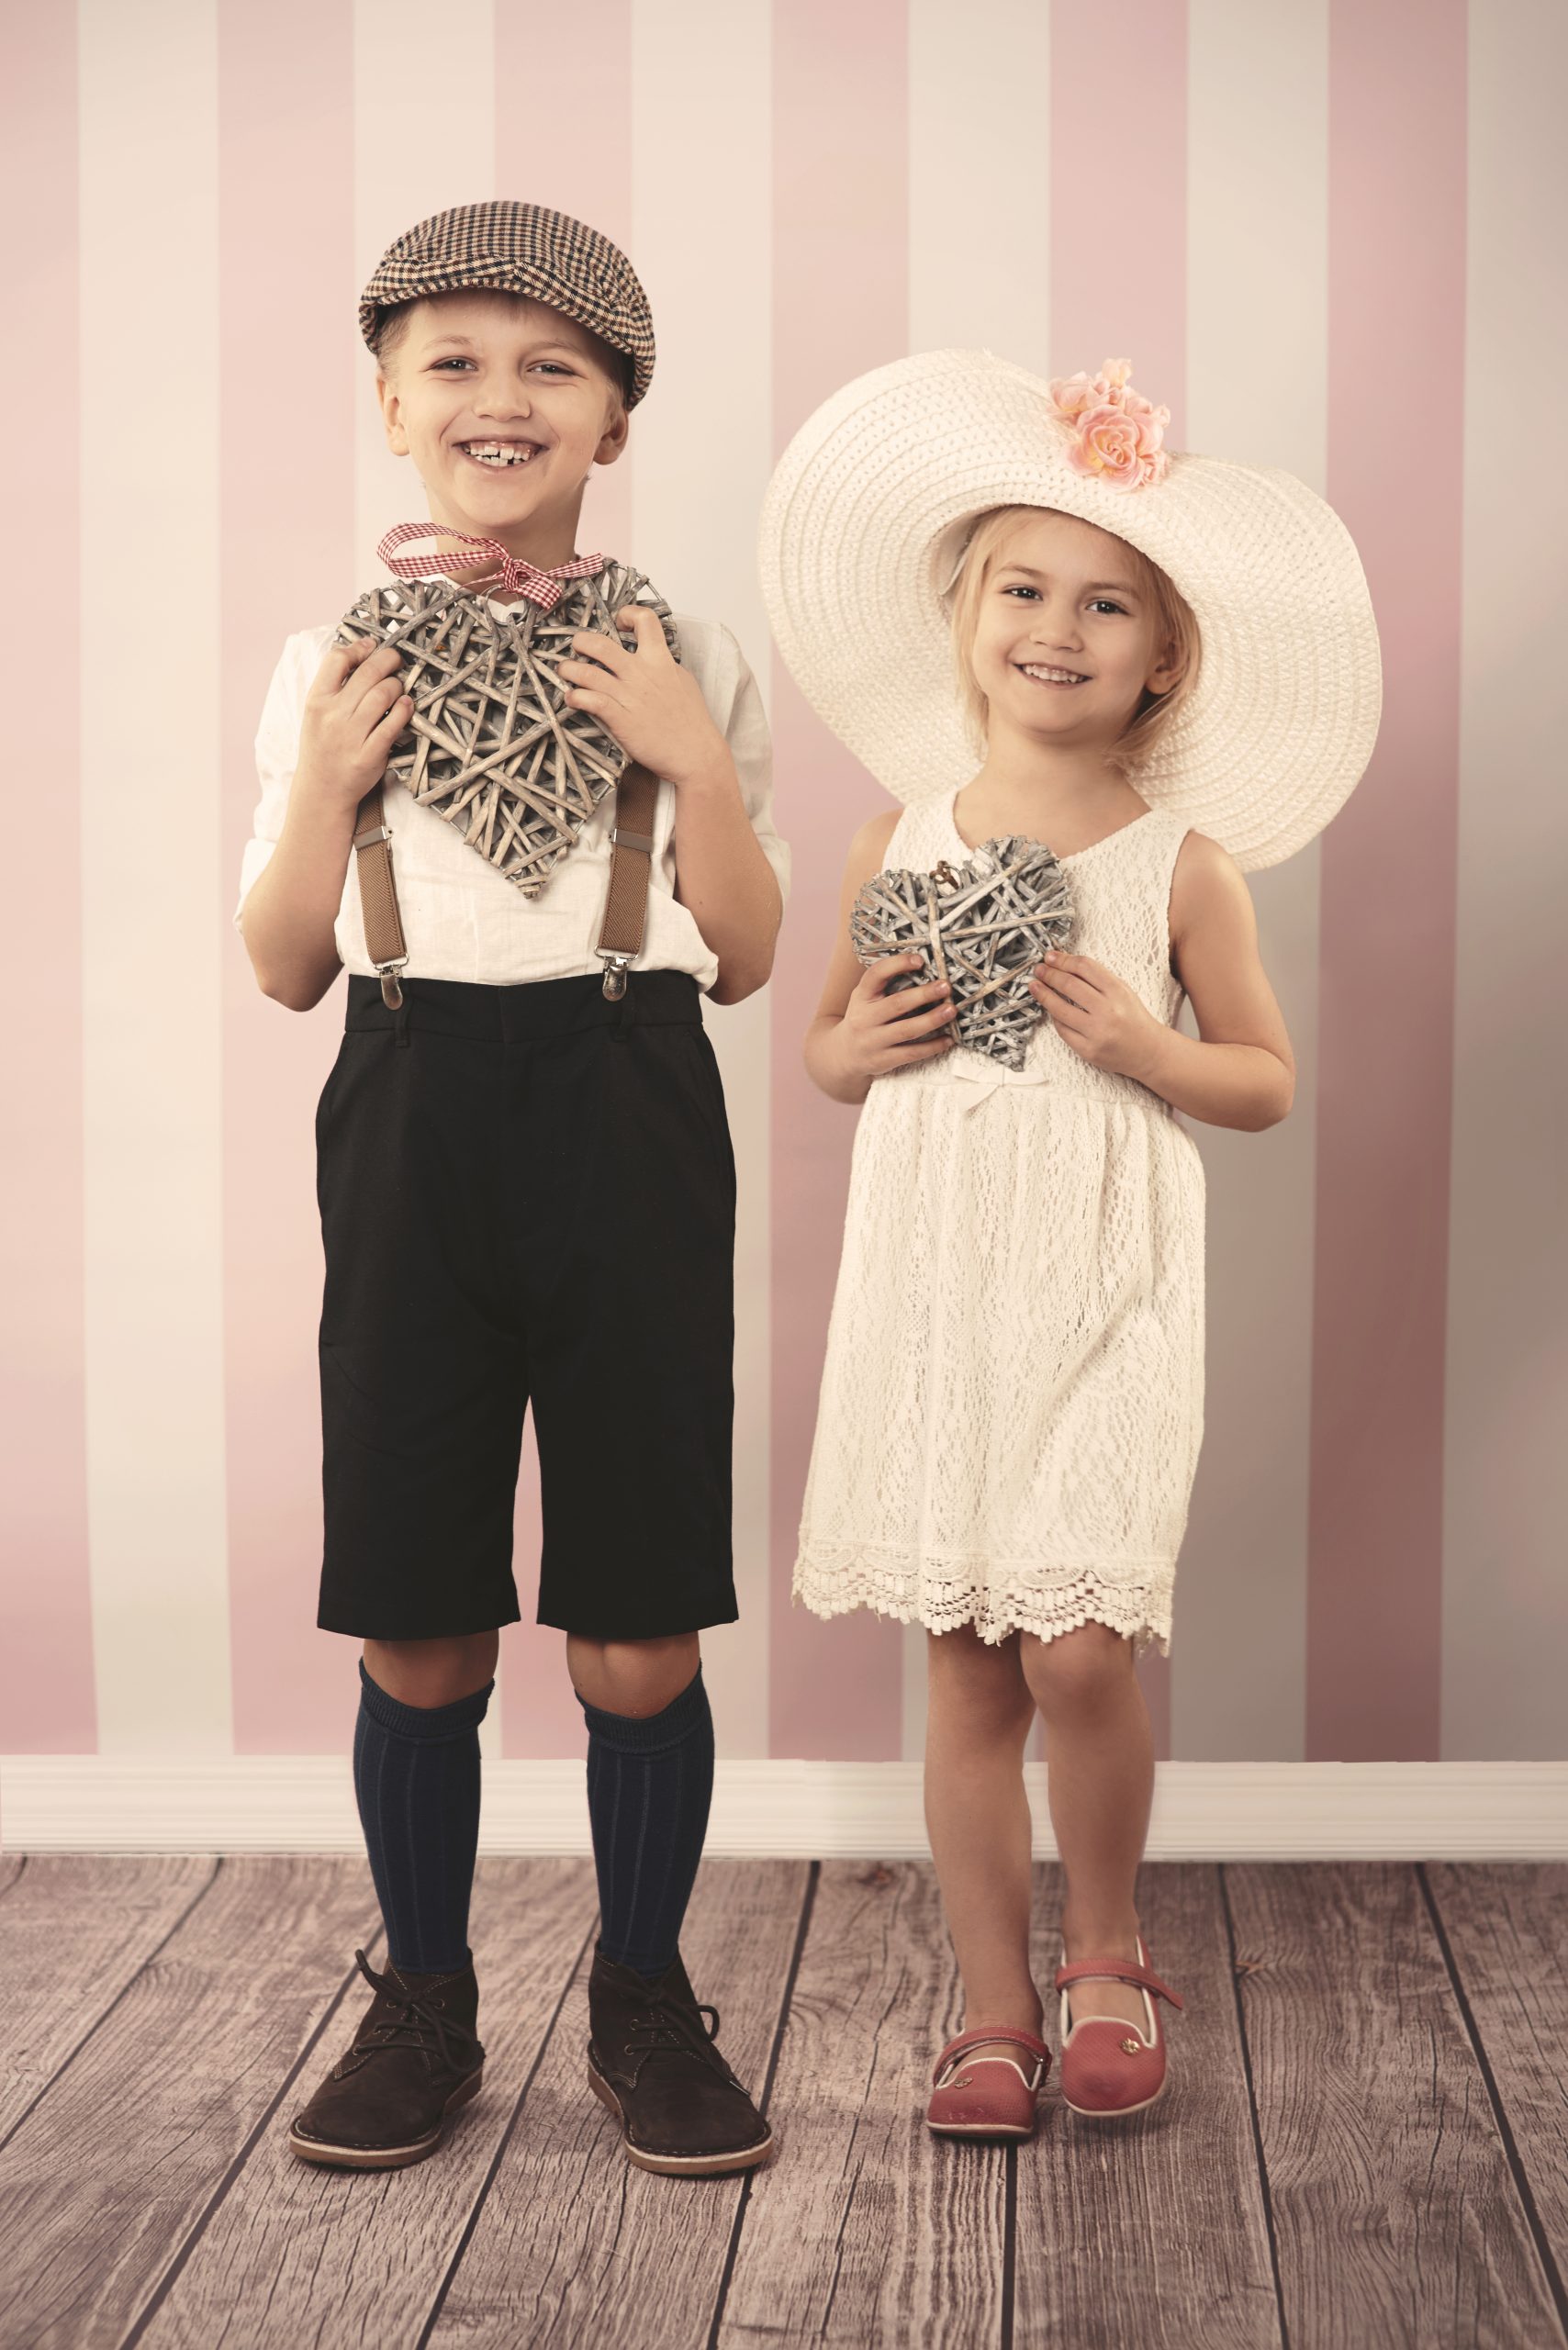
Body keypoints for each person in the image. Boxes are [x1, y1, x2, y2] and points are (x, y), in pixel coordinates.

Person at [760, 350, 1379, 2132]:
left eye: (1106, 603)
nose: (1058, 626)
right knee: (964, 1653)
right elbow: (823, 1043)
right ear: (965, 620)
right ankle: (986, 2003)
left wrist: (1145, 1045)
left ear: (1160, 653)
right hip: (938, 1286)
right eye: (1022, 590)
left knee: (1077, 1640)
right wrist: (849, 1048)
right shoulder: (903, 832)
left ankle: (1103, 1943)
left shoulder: (1181, 859)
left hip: (1101, 1283)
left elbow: (1257, 1079)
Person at [236, 201, 788, 2177]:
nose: (502, 394)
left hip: (631, 1086)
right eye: (455, 361)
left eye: (553, 364)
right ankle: (426, 1993)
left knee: (638, 1612)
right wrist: (320, 786)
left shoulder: (683, 650)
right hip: (408, 1099)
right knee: (417, 1609)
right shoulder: (330, 656)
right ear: (392, 405)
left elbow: (742, 951)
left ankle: (643, 1995)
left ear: (616, 418)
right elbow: (287, 959)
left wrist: (689, 765)